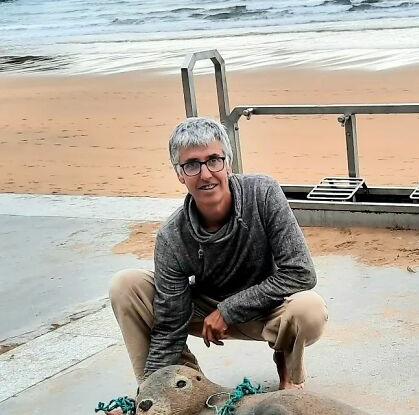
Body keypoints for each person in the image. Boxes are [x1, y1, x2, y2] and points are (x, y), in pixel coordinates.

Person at [109, 116, 328, 397]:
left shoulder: (263, 193)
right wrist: (148, 395)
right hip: (205, 312)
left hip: (268, 310)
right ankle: (175, 384)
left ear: (228, 163)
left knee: (308, 309)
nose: (205, 174)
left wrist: (228, 311)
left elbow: (301, 272)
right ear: (179, 174)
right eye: (192, 164)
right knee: (126, 285)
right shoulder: (172, 236)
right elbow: (168, 324)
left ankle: (288, 365)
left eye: (214, 160)